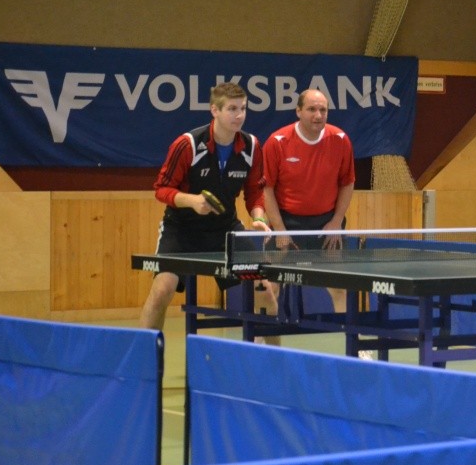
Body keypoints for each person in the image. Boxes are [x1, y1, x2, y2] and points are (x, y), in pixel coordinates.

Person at [139, 82, 279, 333]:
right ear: (215, 110)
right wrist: (192, 201)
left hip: (225, 230)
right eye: (232, 109)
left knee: (266, 294)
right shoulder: (188, 145)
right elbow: (161, 189)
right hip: (181, 229)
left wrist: (258, 217)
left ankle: (271, 356)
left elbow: (255, 192)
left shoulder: (251, 146)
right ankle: (144, 353)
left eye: (243, 108)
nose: (239, 115)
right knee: (162, 290)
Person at [262, 88, 355, 315]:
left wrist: (337, 221)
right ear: (298, 111)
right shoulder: (277, 141)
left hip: (326, 223)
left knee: (339, 286)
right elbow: (266, 188)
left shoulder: (340, 139)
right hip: (286, 221)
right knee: (271, 286)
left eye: (323, 110)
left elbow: (347, 182)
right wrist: (279, 229)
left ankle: (351, 336)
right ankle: (265, 334)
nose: (318, 115)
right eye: (312, 109)